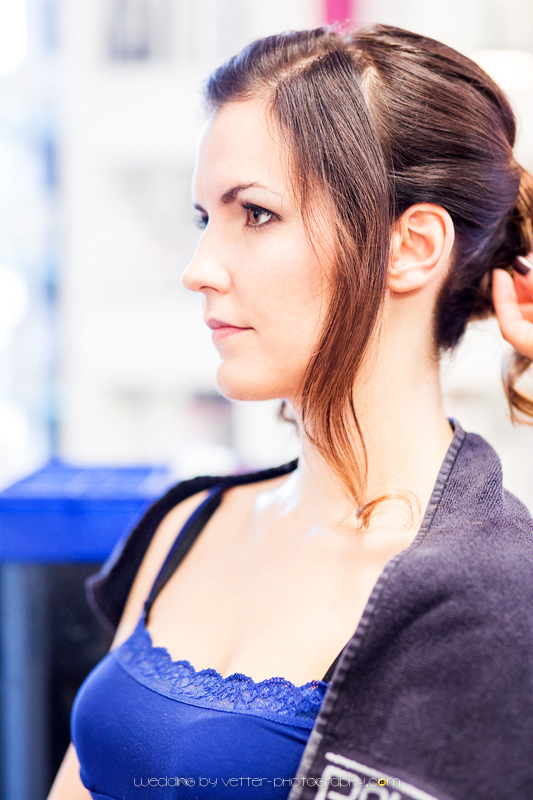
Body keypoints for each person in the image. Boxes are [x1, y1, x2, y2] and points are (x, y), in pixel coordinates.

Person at [47, 23, 533, 800]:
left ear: (410, 247)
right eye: (204, 219)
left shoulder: (495, 593)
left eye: (256, 214)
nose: (198, 269)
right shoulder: (189, 525)